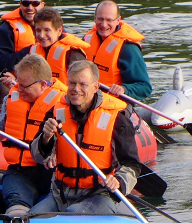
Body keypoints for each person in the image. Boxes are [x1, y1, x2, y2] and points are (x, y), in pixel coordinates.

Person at [28, 60, 142, 214]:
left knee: (73, 216)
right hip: (61, 193)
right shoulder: (56, 112)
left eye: (83, 84)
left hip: (98, 194)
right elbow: (38, 157)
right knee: (30, 220)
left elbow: (132, 165)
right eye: (72, 83)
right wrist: (45, 138)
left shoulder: (117, 118)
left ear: (95, 86)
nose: (76, 89)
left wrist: (119, 180)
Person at [0, 54, 67, 215]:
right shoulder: (11, 99)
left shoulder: (63, 103)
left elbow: (72, 139)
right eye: (18, 82)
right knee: (15, 204)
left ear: (42, 85)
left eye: (24, 86)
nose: (18, 88)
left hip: (52, 174)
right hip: (20, 171)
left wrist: (57, 154)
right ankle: (16, 222)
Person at [82, 0, 152, 100]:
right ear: (94, 18)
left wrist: (124, 89)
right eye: (100, 19)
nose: (104, 25)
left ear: (118, 20)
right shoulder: (87, 39)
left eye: (109, 20)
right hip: (87, 100)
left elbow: (144, 87)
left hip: (113, 104)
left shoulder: (128, 48)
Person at [0, 0, 45, 112]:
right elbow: (1, 63)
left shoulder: (51, 25)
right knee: (2, 81)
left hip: (45, 79)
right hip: (16, 78)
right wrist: (31, 51)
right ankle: (2, 117)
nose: (30, 8)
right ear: (20, 4)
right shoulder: (7, 29)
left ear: (42, 5)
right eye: (26, 3)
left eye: (35, 3)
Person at [28, 7, 89, 84]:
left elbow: (84, 85)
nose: (42, 35)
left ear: (59, 31)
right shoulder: (34, 49)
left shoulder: (72, 53)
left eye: (47, 30)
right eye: (38, 30)